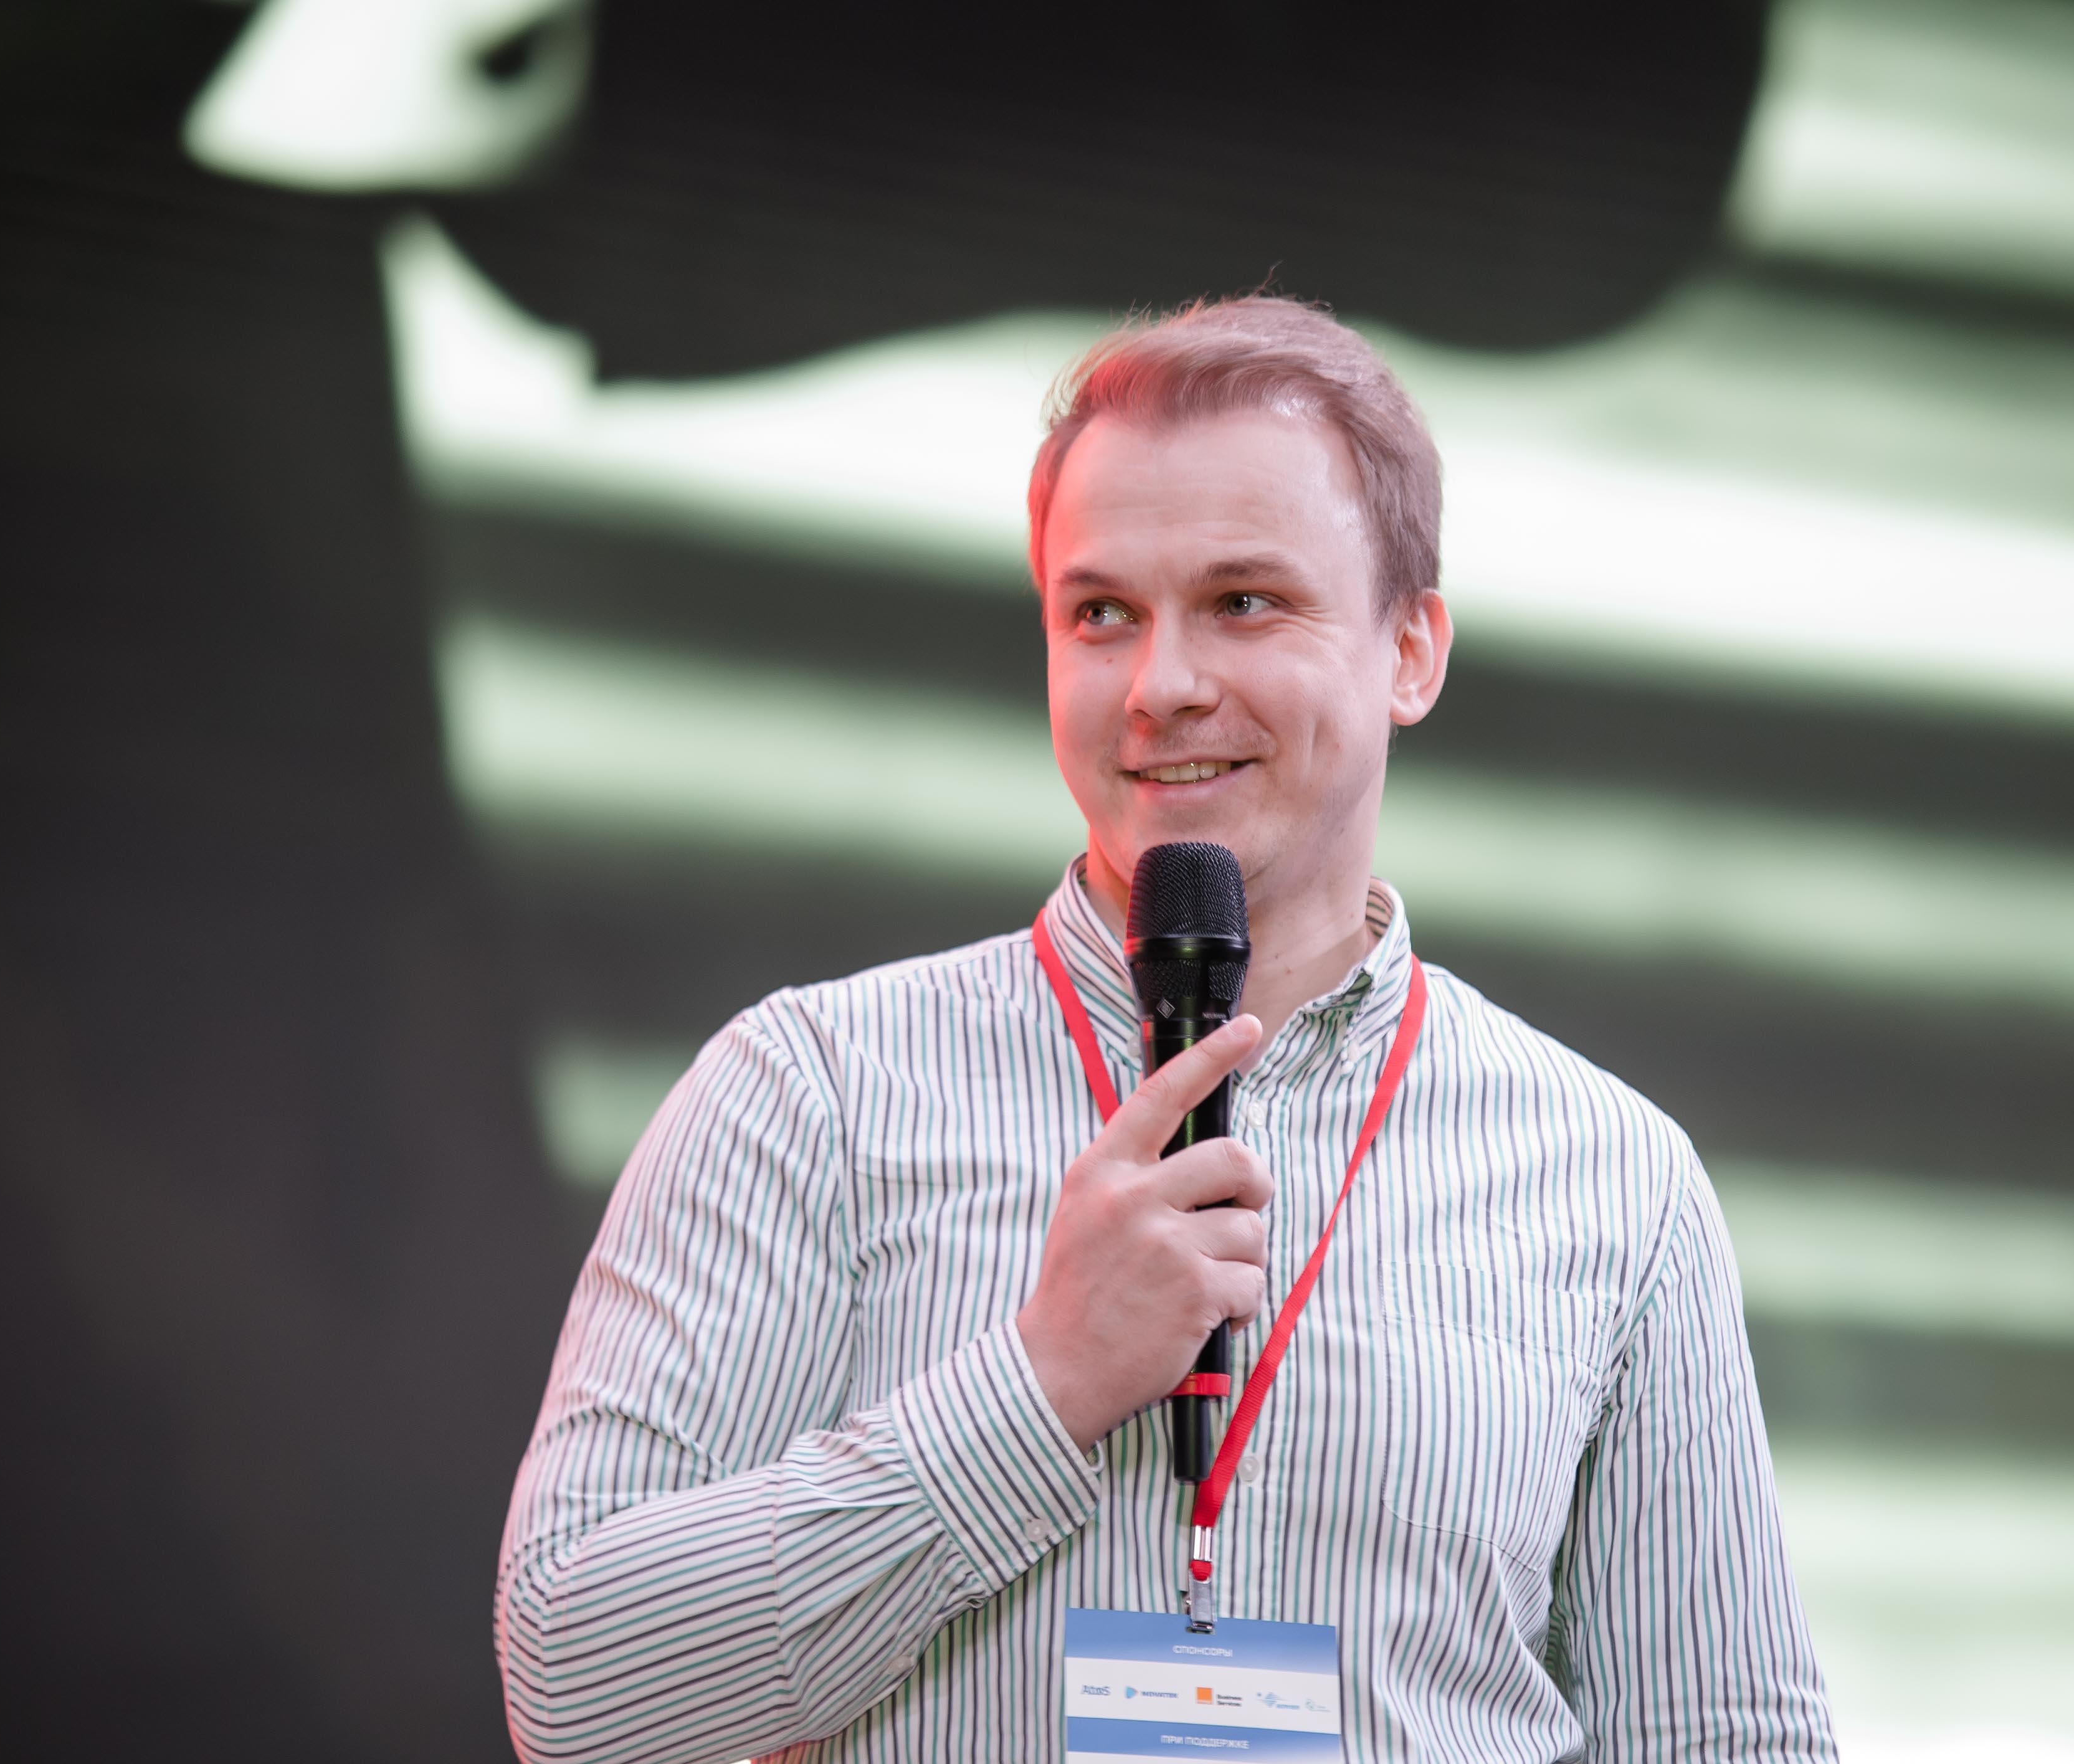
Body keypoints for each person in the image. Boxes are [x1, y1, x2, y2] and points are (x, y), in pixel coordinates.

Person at [495, 296, 1839, 1762]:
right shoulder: (812, 1093)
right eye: (1102, 615)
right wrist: (1041, 1387)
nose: (1162, 686)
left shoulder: (1613, 1178)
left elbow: (1727, 1740)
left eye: (1243, 602)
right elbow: (573, 1688)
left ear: (1410, 650)